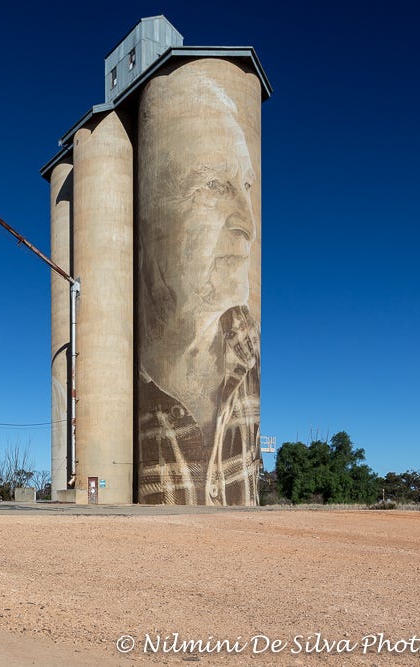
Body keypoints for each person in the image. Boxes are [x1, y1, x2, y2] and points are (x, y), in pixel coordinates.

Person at [137, 60, 263, 505]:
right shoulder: (133, 384)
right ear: (146, 223)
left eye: (246, 187)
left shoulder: (250, 353)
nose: (248, 224)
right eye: (214, 185)